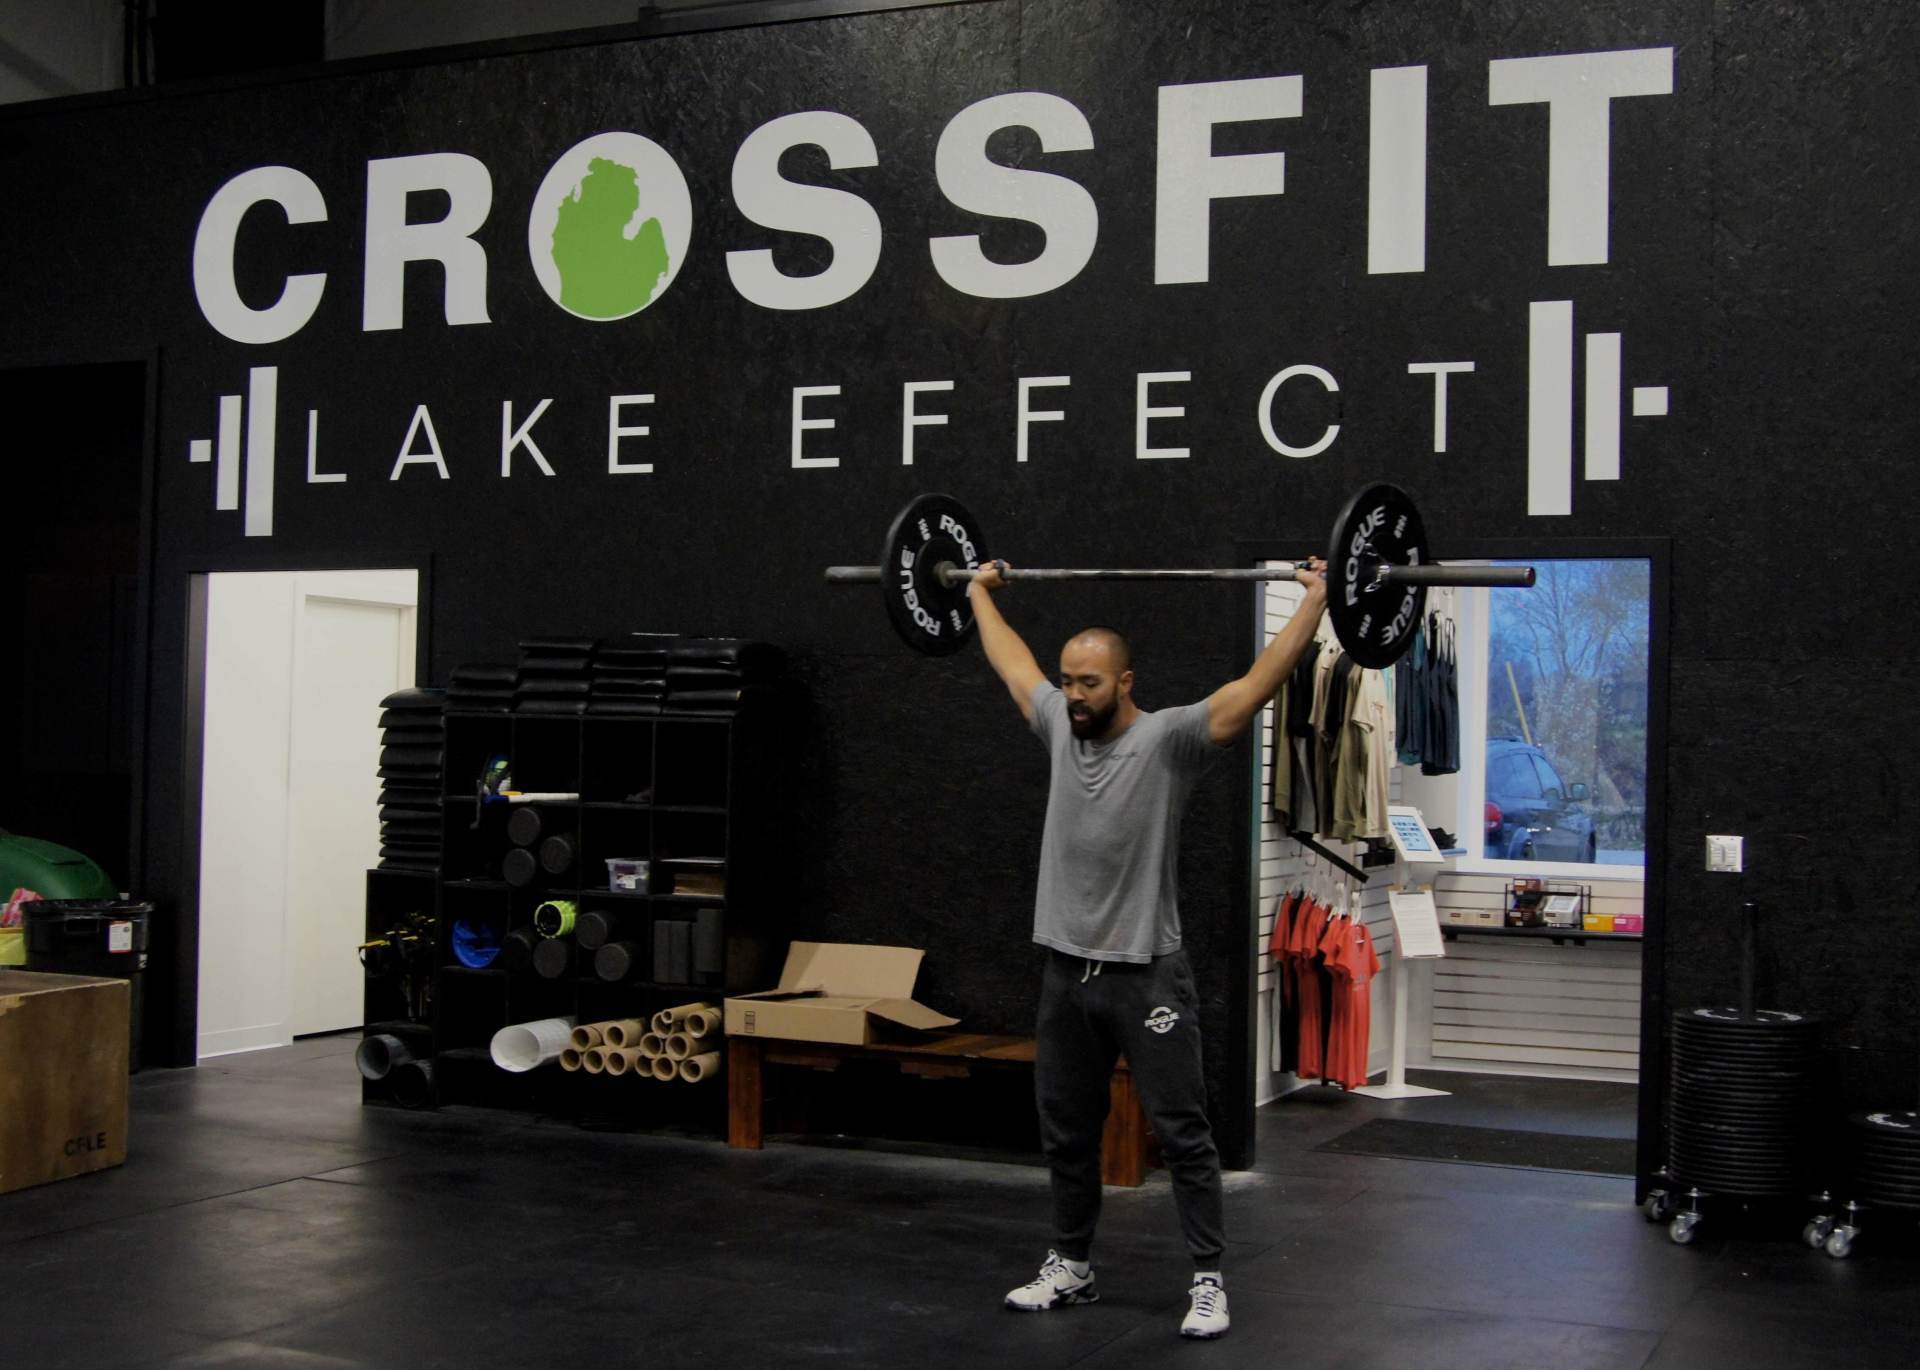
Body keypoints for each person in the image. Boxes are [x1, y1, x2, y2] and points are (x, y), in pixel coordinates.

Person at [973, 554, 1328, 1341]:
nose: (1072, 695)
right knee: (1066, 1129)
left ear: (1125, 682)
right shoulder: (1059, 731)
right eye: (1067, 681)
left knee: (1182, 1132)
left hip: (1147, 975)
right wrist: (975, 593)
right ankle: (1072, 1263)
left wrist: (1315, 599)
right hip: (1067, 972)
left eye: (1089, 683)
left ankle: (1208, 1280)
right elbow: (1010, 663)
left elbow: (1254, 687)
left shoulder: (1171, 741)